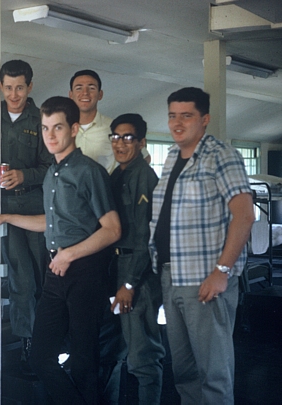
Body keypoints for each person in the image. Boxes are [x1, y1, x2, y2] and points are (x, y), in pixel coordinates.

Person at [0, 96, 121, 404]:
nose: (50, 135)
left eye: (58, 127)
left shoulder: (89, 171)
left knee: (84, 359)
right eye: (45, 128)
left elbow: (112, 229)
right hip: (56, 270)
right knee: (40, 357)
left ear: (73, 129)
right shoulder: (51, 174)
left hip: (84, 271)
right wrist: (5, 217)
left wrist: (69, 254)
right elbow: (50, 222)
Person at [149, 87, 254, 403]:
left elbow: (245, 215)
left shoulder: (221, 155)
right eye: (172, 116)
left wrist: (222, 271)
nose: (177, 123)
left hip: (205, 279)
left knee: (213, 372)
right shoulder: (171, 157)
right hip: (171, 276)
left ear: (204, 119)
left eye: (186, 116)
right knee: (184, 372)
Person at [69, 68, 127, 404]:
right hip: (73, 228)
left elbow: (132, 162)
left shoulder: (112, 130)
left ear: (100, 94)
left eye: (91, 87)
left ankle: (107, 385)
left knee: (106, 312)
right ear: (71, 94)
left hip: (104, 225)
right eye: (79, 87)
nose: (85, 92)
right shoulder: (65, 129)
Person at [0, 60, 52, 372]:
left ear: (30, 87)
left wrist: (24, 175)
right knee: (21, 279)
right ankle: (27, 341)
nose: (14, 94)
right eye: (8, 88)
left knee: (43, 277)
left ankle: (47, 338)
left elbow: (50, 166)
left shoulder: (42, 119)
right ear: (0, 87)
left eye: (20, 87)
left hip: (36, 206)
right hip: (5, 208)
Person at [108, 113, 165, 404]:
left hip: (137, 273)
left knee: (143, 355)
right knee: (120, 349)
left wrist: (129, 284)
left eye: (128, 137)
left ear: (141, 142)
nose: (120, 143)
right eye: (115, 137)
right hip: (119, 266)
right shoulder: (119, 174)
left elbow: (146, 237)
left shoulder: (143, 176)